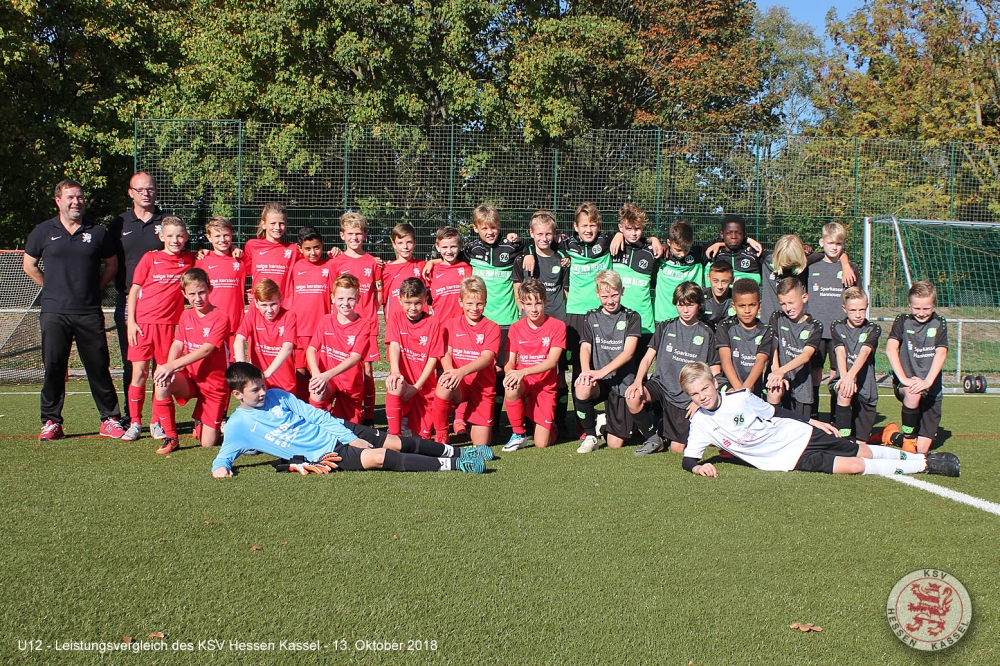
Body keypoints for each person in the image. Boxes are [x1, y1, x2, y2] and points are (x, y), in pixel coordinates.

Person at [678, 362, 959, 478]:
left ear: (714, 382)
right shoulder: (701, 423)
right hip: (788, 459)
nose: (702, 396)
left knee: (859, 450)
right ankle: (925, 465)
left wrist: (814, 423)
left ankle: (919, 459)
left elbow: (777, 412)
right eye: (694, 394)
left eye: (705, 388)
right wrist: (698, 467)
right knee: (854, 466)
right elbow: (688, 459)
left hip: (798, 434)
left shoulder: (740, 398)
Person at [212, 363, 488, 477]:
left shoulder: (277, 396)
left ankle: (462, 452)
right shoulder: (237, 426)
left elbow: (316, 415)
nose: (263, 392)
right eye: (255, 390)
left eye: (262, 386)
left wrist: (350, 437)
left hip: (338, 429)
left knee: (395, 441)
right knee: (379, 457)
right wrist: (220, 468)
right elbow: (223, 457)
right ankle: (457, 464)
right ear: (237, 395)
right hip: (326, 453)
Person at [23, 179, 125, 440]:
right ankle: (51, 422)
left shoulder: (97, 232)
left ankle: (110, 418)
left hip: (88, 311)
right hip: (54, 312)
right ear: (58, 200)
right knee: (54, 367)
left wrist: (94, 288)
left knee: (98, 366)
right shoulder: (43, 230)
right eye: (70, 197)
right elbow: (29, 265)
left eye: (79, 197)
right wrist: (51, 287)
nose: (76, 202)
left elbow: (111, 266)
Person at [122, 215, 196, 441]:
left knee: (162, 375)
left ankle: (156, 421)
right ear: (161, 236)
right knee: (139, 373)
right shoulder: (150, 258)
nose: (175, 240)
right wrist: (131, 322)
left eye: (180, 236)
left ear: (186, 237)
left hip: (170, 327)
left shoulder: (190, 260)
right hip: (143, 325)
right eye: (170, 236)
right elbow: (135, 290)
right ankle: (135, 422)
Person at [626, 281, 720, 455]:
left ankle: (666, 426)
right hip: (661, 385)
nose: (685, 310)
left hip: (686, 395)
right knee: (633, 396)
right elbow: (647, 358)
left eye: (690, 305)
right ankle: (653, 439)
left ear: (699, 304)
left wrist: (699, 400)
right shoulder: (665, 326)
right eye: (680, 305)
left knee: (677, 449)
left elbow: (715, 371)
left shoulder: (707, 332)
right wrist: (638, 381)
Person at [150, 268, 230, 454]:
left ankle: (204, 421)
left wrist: (173, 365)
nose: (198, 298)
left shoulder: (221, 317)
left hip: (214, 386)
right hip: (191, 379)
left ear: (210, 289)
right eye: (192, 294)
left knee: (207, 443)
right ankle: (171, 437)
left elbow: (207, 349)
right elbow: (178, 343)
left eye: (201, 292)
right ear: (184, 294)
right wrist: (169, 368)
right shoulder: (186, 315)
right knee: (162, 382)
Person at [109, 172, 170, 413]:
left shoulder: (167, 221)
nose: (146, 193)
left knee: (162, 365)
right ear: (130, 193)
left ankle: (158, 418)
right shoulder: (119, 223)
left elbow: (184, 255)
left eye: (150, 189)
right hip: (129, 302)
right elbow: (108, 260)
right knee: (132, 363)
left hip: (162, 305)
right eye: (140, 189)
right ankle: (130, 416)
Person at [511, 211, 571, 429]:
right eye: (539, 234)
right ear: (531, 233)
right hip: (531, 322)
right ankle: (527, 419)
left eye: (548, 234)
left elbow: (565, 289)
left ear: (554, 234)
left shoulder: (562, 260)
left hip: (556, 319)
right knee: (527, 365)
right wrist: (522, 309)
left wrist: (563, 315)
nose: (544, 238)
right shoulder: (524, 258)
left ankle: (559, 421)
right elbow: (517, 285)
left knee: (559, 372)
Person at [574, 270, 641, 454]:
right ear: (597, 294)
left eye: (614, 295)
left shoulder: (632, 317)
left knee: (615, 443)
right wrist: (586, 372)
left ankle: (603, 424)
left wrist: (601, 372)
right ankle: (590, 437)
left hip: (622, 382)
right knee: (582, 386)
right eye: (605, 296)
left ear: (622, 291)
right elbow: (585, 346)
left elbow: (628, 353)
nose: (610, 301)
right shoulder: (591, 316)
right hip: (600, 382)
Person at [431, 276, 502, 447]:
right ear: (460, 302)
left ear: (485, 302)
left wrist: (461, 372)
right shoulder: (451, 324)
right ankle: (441, 435)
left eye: (479, 304)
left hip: (482, 388)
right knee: (444, 383)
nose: (474, 308)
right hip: (459, 384)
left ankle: (477, 425)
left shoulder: (492, 327)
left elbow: (487, 358)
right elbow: (446, 352)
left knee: (481, 444)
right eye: (469, 303)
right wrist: (450, 372)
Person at [330, 211, 383, 425]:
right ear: (342, 235)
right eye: (350, 233)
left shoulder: (373, 262)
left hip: (366, 325)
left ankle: (368, 416)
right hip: (343, 327)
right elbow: (332, 294)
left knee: (367, 370)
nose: (354, 238)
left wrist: (368, 313)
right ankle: (343, 411)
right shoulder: (335, 262)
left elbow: (379, 292)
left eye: (358, 233)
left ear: (365, 235)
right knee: (342, 367)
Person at [501, 279, 567, 451]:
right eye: (529, 304)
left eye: (538, 303)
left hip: (545, 385)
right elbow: (509, 362)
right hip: (525, 383)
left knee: (541, 443)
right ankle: (518, 434)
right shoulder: (515, 328)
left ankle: (550, 425)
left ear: (545, 302)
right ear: (522, 304)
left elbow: (552, 362)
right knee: (511, 387)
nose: (534, 309)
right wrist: (510, 374)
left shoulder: (558, 326)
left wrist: (523, 372)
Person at [885, 280, 948, 453]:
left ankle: (891, 435)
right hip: (908, 385)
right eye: (916, 308)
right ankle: (908, 439)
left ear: (933, 305)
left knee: (922, 449)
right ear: (910, 305)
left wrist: (927, 382)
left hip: (930, 387)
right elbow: (890, 348)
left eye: (926, 308)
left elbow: (941, 353)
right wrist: (904, 379)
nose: (921, 313)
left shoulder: (939, 322)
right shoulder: (902, 321)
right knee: (913, 393)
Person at [807, 223, 860, 414]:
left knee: (838, 374)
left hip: (840, 332)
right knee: (814, 373)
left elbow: (857, 297)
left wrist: (845, 264)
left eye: (839, 243)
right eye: (830, 243)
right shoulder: (811, 266)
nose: (834, 247)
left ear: (844, 244)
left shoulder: (850, 268)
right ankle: (813, 414)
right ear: (822, 242)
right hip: (816, 330)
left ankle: (836, 415)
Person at [384, 278, 444, 438]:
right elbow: (394, 345)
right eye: (408, 303)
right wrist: (395, 372)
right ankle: (395, 435)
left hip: (424, 387)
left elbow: (433, 358)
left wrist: (416, 388)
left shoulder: (434, 323)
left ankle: (410, 426)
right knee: (395, 383)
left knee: (422, 440)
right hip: (404, 383)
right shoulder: (396, 317)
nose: (413, 307)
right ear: (400, 301)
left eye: (417, 302)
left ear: (425, 299)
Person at [306, 274, 369, 422]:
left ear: (358, 299)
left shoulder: (364, 325)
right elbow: (311, 349)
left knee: (349, 429)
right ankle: (317, 425)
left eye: (350, 299)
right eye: (340, 298)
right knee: (316, 388)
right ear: (333, 298)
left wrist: (326, 375)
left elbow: (355, 357)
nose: (345, 303)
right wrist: (317, 374)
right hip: (328, 380)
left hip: (350, 385)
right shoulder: (326, 320)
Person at [830, 288, 881, 443]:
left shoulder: (873, 328)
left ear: (867, 307)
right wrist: (845, 378)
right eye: (853, 310)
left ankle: (885, 435)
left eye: (862, 310)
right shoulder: (837, 326)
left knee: (861, 443)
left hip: (866, 387)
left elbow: (864, 353)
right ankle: (843, 443)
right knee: (844, 392)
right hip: (845, 380)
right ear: (844, 308)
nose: (858, 315)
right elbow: (840, 352)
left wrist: (850, 376)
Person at [766, 277, 822, 416]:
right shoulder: (777, 318)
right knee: (774, 409)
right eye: (783, 304)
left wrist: (782, 371)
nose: (788, 308)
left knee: (801, 425)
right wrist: (777, 373)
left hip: (802, 386)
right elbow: (773, 347)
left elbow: (806, 355)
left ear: (804, 298)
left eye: (791, 302)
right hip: (781, 379)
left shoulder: (815, 326)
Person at [290, 226, 334, 398]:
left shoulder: (330, 265)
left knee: (320, 371)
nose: (313, 252)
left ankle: (322, 407)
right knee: (300, 371)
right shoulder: (295, 267)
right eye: (307, 249)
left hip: (322, 330)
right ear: (300, 248)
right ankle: (303, 407)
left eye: (316, 247)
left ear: (322, 245)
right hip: (300, 330)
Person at [234, 279, 297, 392]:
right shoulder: (253, 314)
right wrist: (243, 369)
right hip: (259, 383)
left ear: (281, 300)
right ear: (256, 303)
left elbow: (287, 347)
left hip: (284, 384)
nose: (269, 310)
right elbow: (239, 340)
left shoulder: (289, 316)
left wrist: (266, 374)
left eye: (273, 304)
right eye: (264, 305)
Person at [195, 215, 247, 351]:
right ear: (209, 237)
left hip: (234, 323)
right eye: (217, 236)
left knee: (233, 362)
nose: (222, 240)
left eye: (226, 235)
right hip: (210, 322)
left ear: (232, 234)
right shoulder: (202, 260)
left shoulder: (241, 259)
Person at [715, 278, 773, 396]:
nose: (747, 310)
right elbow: (725, 360)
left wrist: (746, 388)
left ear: (759, 304)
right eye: (742, 305)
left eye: (752, 305)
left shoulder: (766, 330)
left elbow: (760, 361)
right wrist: (739, 390)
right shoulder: (725, 326)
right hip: (730, 385)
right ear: (734, 306)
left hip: (752, 388)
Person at [611, 204, 657, 341]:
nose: (633, 233)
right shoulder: (612, 246)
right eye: (629, 228)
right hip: (616, 319)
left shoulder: (651, 251)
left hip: (644, 321)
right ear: (621, 227)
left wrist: (654, 239)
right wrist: (618, 235)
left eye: (637, 228)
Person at [244, 203, 298, 309]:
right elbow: (243, 269)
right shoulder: (252, 245)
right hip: (260, 305)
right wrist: (232, 248)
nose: (277, 227)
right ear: (263, 224)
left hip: (283, 307)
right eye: (273, 223)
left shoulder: (293, 249)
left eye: (281, 223)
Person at [382, 223, 426, 323]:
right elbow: (382, 298)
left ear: (415, 242)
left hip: (419, 322)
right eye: (400, 243)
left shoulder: (423, 266)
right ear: (394, 244)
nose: (405, 246)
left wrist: (433, 261)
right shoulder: (386, 269)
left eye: (409, 242)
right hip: (396, 323)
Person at [427, 226, 472, 323]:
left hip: (463, 325)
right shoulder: (431, 270)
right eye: (444, 247)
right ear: (437, 247)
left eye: (453, 247)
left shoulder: (468, 268)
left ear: (460, 246)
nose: (449, 251)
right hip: (440, 324)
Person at [701, 261, 735, 329]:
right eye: (715, 281)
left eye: (724, 282)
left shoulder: (737, 298)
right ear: (708, 278)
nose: (719, 286)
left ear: (732, 280)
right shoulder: (700, 297)